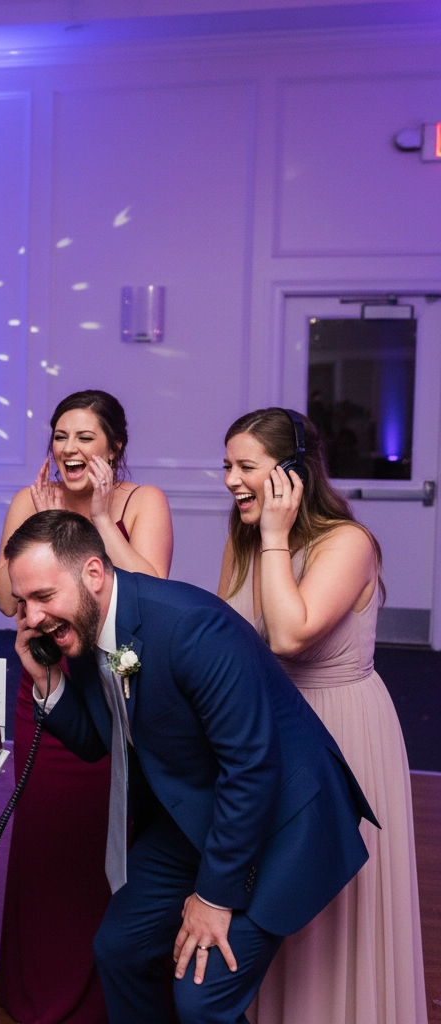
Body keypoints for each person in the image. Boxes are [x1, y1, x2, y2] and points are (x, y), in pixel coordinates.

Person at [6, 509, 376, 1024]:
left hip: (284, 819)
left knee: (201, 1001)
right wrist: (47, 681)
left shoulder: (190, 627)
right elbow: (99, 741)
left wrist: (213, 896)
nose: (31, 618)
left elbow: (251, 767)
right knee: (119, 949)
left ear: (93, 573)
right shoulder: (89, 631)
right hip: (199, 810)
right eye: (22, 604)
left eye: (43, 598)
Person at [218, 408, 427, 1024]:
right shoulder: (242, 536)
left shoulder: (348, 543)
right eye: (227, 465)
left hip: (340, 729)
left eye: (245, 467)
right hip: (271, 728)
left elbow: (288, 636)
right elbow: (233, 637)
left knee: (334, 898)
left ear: (291, 475)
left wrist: (278, 537)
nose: (230, 480)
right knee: (275, 891)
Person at [0, 390, 172, 1024]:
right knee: (44, 837)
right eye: (60, 436)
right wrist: (32, 532)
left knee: (110, 833)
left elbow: (151, 587)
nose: (68, 449)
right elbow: (1, 592)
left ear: (113, 446)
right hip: (44, 676)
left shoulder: (140, 502)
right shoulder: (31, 500)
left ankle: (106, 991)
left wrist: (96, 515)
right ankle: (37, 987)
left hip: (113, 681)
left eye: (84, 437)